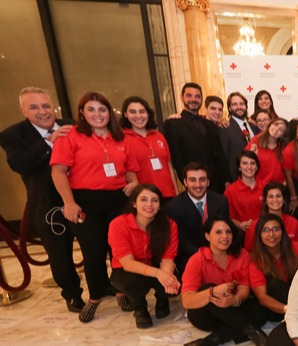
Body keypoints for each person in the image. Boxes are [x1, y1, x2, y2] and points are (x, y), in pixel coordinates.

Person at [50, 91, 139, 322]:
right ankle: (95, 297)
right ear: (82, 113)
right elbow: (58, 171)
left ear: (109, 112)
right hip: (85, 199)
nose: (97, 114)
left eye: (102, 109)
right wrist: (69, 202)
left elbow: (131, 170)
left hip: (118, 199)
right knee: (93, 251)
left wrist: (134, 183)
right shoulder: (70, 136)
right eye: (91, 109)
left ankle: (120, 291)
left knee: (119, 250)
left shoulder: (121, 138)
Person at [0, 87, 82, 312]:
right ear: (23, 110)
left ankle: (101, 285)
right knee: (59, 252)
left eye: (46, 106)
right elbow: (20, 164)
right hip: (48, 203)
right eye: (34, 107)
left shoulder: (72, 126)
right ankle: (72, 294)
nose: (43, 111)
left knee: (93, 245)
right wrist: (49, 142)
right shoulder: (12, 135)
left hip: (82, 198)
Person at [180, 217, 268, 346]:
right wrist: (212, 291)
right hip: (207, 314)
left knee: (260, 312)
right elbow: (187, 300)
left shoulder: (242, 255)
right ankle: (255, 333)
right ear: (208, 236)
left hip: (233, 309)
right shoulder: (197, 259)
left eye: (228, 232)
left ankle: (205, 343)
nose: (225, 236)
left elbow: (244, 288)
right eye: (218, 232)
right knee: (206, 287)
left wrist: (234, 300)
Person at [109, 185, 180, 328]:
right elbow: (128, 263)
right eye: (143, 200)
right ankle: (140, 308)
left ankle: (162, 299)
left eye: (155, 200)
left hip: (155, 264)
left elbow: (167, 259)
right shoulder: (119, 224)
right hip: (128, 270)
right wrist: (159, 274)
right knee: (133, 283)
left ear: (160, 205)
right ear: (134, 203)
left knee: (175, 282)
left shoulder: (169, 225)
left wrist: (167, 280)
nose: (149, 205)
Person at [164, 163, 230, 276]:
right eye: (192, 180)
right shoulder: (173, 207)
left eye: (202, 180)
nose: (198, 185)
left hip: (220, 250)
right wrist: (206, 255)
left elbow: (227, 230)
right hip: (190, 255)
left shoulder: (220, 201)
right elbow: (181, 242)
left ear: (208, 182)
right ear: (185, 182)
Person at [245, 214, 298, 327]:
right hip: (279, 309)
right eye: (265, 230)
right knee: (275, 285)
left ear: (282, 232)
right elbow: (263, 298)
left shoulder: (295, 247)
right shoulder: (256, 260)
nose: (271, 234)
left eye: (276, 229)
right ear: (259, 235)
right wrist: (289, 309)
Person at [164, 83, 228, 193]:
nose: (193, 99)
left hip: (217, 185)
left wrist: (226, 181)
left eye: (197, 96)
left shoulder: (209, 124)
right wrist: (189, 182)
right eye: (189, 95)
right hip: (195, 185)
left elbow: (220, 156)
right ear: (181, 97)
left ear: (201, 99)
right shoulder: (173, 124)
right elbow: (177, 158)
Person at [120, 96, 178, 201]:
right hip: (145, 199)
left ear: (147, 113)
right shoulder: (122, 139)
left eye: (142, 111)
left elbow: (169, 166)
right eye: (133, 112)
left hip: (168, 194)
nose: (138, 116)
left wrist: (177, 194)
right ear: (125, 114)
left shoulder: (158, 136)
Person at [243, 182, 298, 251]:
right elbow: (249, 251)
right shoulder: (255, 225)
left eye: (278, 196)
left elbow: (297, 249)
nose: (275, 200)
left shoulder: (294, 223)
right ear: (265, 201)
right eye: (271, 196)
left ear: (283, 199)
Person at [224, 150, 265, 234]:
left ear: (257, 167)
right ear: (239, 167)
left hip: (265, 232)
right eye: (245, 163)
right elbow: (228, 216)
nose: (249, 167)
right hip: (242, 234)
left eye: (252, 163)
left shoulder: (266, 187)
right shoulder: (230, 191)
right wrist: (240, 225)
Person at [219, 91, 255, 182]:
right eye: (234, 104)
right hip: (236, 180)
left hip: (256, 178)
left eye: (242, 104)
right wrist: (227, 181)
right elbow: (223, 158)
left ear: (246, 106)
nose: (239, 107)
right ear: (230, 108)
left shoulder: (253, 126)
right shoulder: (225, 128)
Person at [247, 117, 287, 185]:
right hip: (259, 186)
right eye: (276, 124)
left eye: (281, 130)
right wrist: (252, 156)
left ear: (282, 135)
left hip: (278, 187)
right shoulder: (256, 141)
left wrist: (285, 182)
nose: (276, 129)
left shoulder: (284, 146)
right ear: (270, 125)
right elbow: (245, 163)